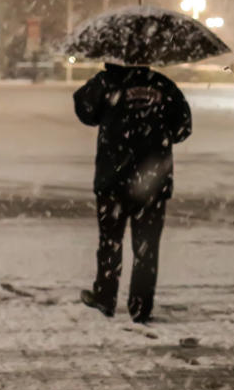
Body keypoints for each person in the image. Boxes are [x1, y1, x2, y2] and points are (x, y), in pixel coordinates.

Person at [73, 62, 191, 324]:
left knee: (109, 243)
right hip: (152, 181)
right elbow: (183, 128)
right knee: (146, 247)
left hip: (112, 180)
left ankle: (105, 296)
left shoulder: (105, 83)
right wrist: (155, 132)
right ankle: (141, 305)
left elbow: (85, 112)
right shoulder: (163, 85)